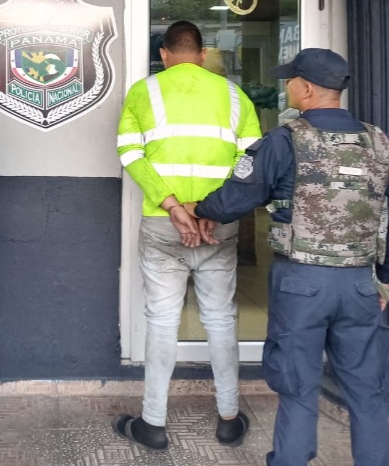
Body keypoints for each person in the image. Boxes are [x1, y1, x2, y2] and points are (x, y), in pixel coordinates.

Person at [185, 48, 389, 465]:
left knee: (298, 388)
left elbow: (240, 196)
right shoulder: (378, 140)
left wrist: (200, 209)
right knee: (369, 390)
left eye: (291, 80)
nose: (287, 87)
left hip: (302, 284)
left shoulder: (286, 139)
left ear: (307, 88)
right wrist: (383, 278)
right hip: (360, 285)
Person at [112, 20, 261, 451]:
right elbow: (252, 162)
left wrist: (174, 206)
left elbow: (129, 152)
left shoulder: (143, 91)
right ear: (202, 53)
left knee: (161, 320)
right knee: (220, 318)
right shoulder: (234, 95)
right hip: (218, 225)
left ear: (164, 54)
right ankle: (229, 419)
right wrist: (213, 209)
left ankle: (153, 423)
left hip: (164, 222)